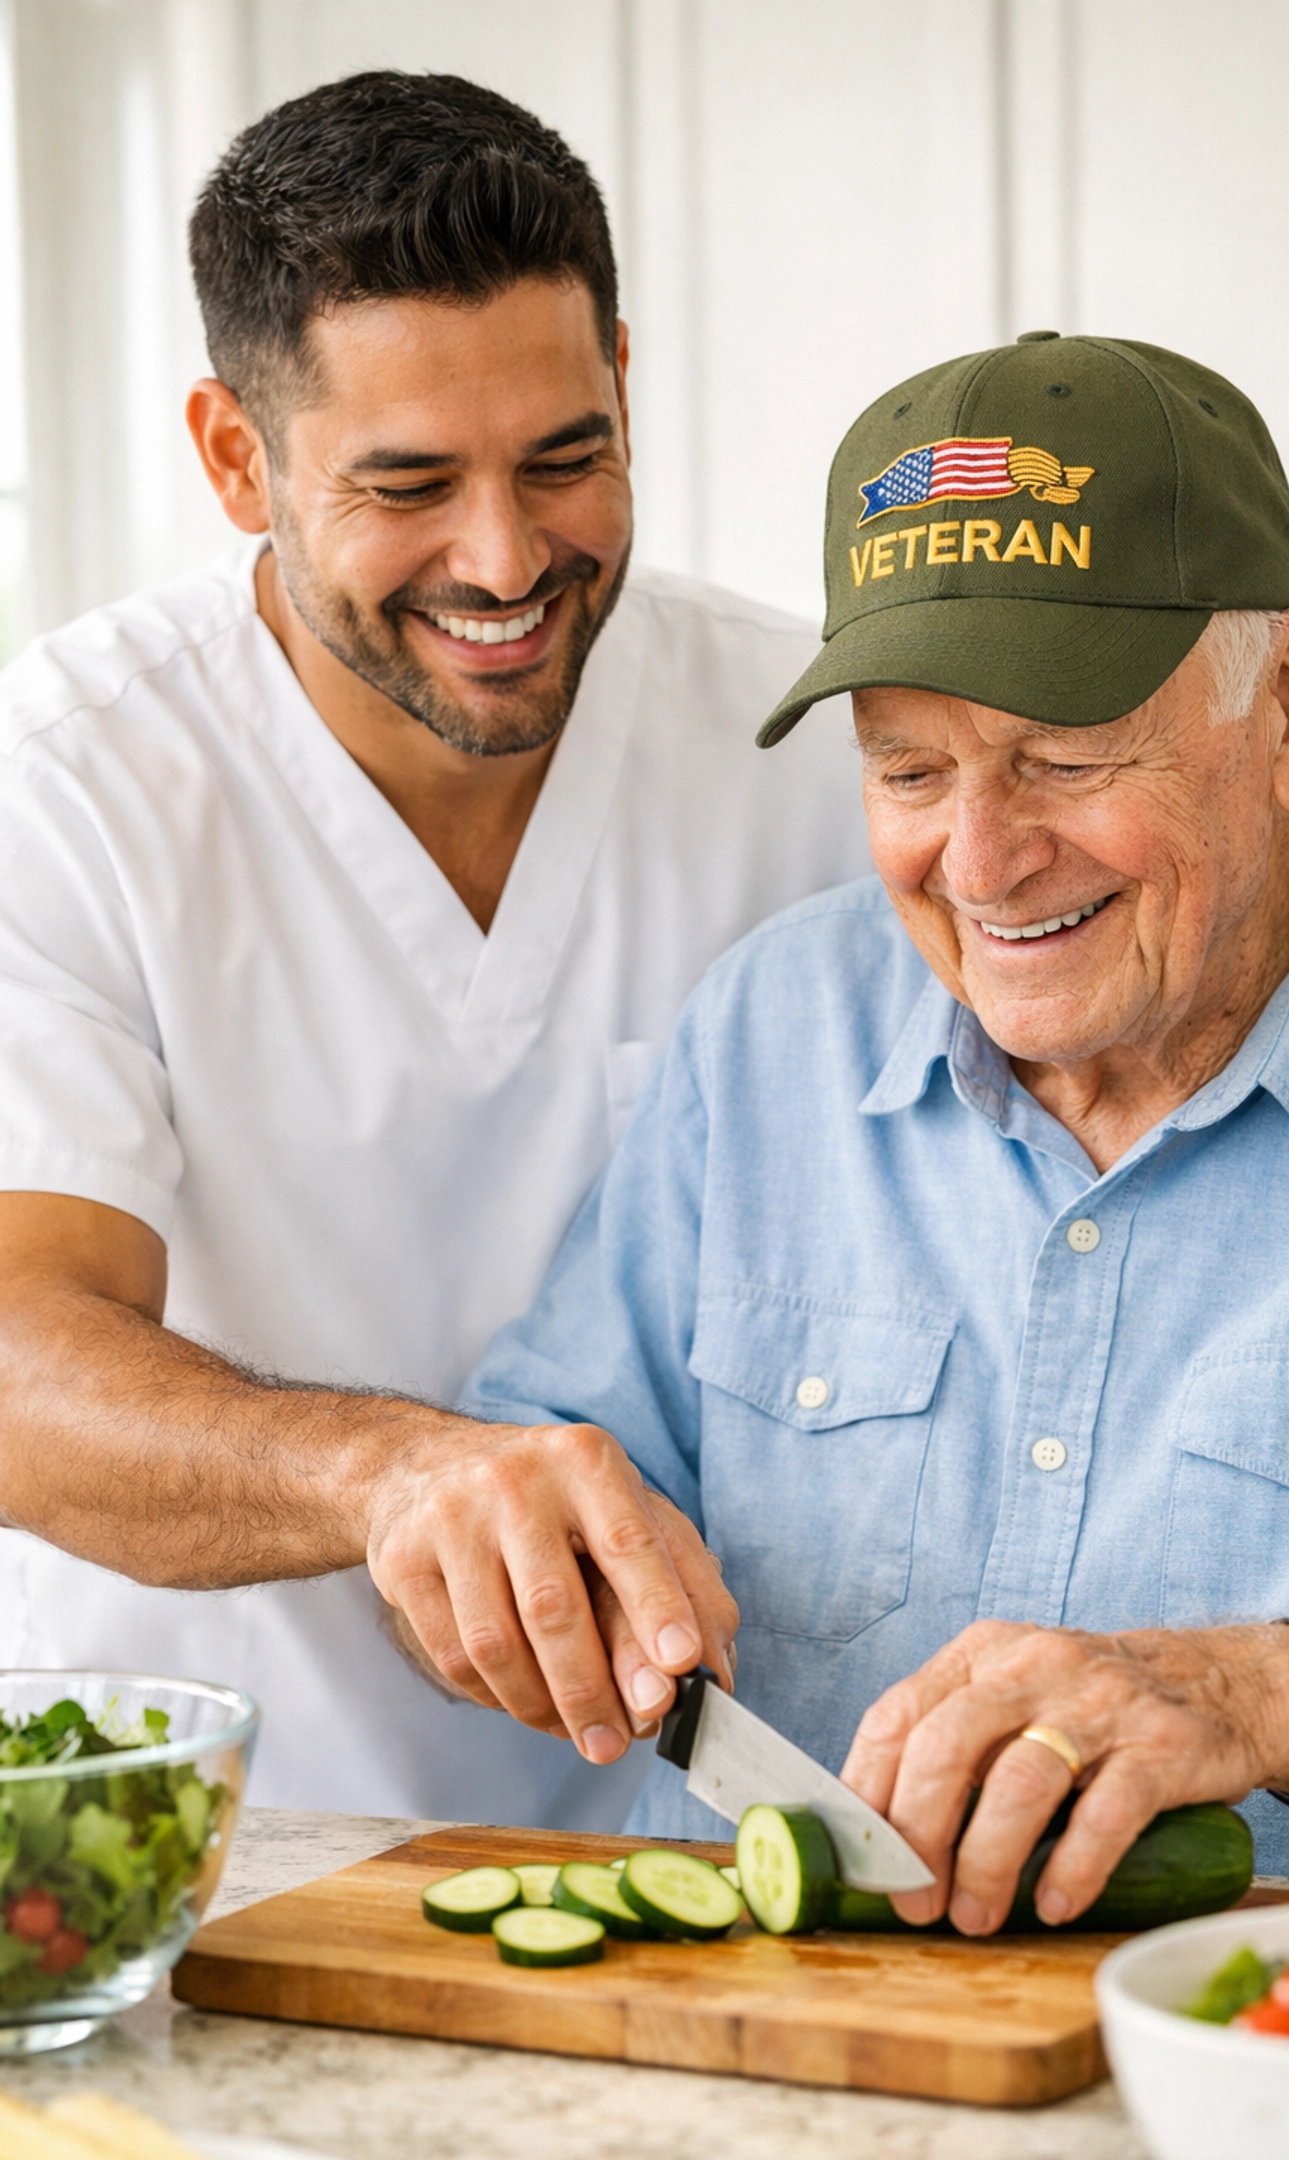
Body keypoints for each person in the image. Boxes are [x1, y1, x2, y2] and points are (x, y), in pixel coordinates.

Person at [461, 331, 1289, 1925]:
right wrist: (494, 1543)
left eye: (1065, 757)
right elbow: (528, 1495)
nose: (979, 861)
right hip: (771, 2067)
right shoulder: (771, 1033)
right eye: (908, 768)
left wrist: (1285, 1694)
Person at [0, 71, 863, 1825]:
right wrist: (388, 1472)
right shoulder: (71, 782)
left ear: (628, 376)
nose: (507, 559)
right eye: (408, 484)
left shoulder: (821, 750)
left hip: (714, 1829)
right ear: (238, 459)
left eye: (567, 459)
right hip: (215, 1852)